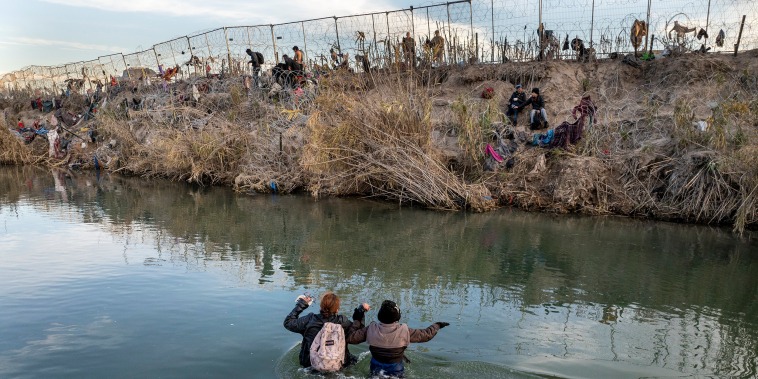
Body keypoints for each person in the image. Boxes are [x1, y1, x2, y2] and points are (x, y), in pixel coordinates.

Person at [347, 300, 449, 377]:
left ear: (379, 316)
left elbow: (351, 338)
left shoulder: (371, 329)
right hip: (396, 368)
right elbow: (426, 335)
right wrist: (437, 325)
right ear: (398, 316)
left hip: (376, 367)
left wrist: (359, 316)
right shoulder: (404, 331)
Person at [283, 292, 370, 371]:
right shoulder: (343, 322)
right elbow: (358, 333)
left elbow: (288, 323)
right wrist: (360, 311)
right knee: (351, 361)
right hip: (339, 364)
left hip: (310, 364)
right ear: (337, 309)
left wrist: (302, 304)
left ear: (321, 307)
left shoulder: (308, 320)